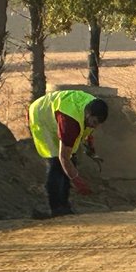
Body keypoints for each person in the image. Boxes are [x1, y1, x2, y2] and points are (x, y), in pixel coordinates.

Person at [28, 89, 109, 218]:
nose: (94, 127)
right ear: (88, 114)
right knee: (56, 163)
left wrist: (90, 145)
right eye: (93, 122)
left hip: (61, 111)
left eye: (97, 124)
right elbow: (63, 157)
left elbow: (88, 128)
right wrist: (76, 180)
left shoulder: (91, 106)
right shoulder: (70, 123)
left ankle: (64, 206)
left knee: (71, 160)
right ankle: (55, 208)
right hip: (42, 115)